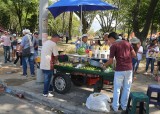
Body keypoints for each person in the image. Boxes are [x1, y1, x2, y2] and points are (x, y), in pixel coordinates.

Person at [102, 32, 136, 112]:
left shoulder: (114, 46)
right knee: (126, 88)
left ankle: (115, 107)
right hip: (129, 69)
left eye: (109, 40)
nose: (109, 41)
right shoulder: (127, 43)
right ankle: (124, 107)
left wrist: (104, 65)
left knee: (117, 88)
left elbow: (110, 61)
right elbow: (134, 55)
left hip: (120, 69)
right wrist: (126, 58)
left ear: (112, 38)